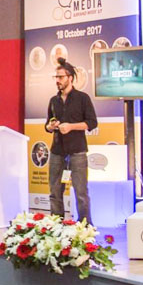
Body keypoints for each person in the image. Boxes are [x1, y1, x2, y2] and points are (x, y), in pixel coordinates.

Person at [46, 57, 98, 226]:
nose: (57, 80)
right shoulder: (53, 101)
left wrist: (71, 127)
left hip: (77, 151)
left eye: (60, 77)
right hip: (57, 151)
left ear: (70, 77)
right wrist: (50, 126)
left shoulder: (82, 98)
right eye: (56, 77)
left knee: (81, 192)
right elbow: (47, 125)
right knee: (55, 191)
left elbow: (92, 123)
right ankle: (56, 225)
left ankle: (85, 227)